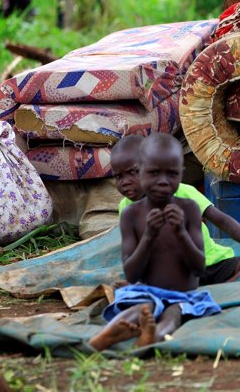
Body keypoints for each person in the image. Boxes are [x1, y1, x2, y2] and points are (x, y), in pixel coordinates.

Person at [89, 133, 220, 351]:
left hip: (183, 295)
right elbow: (132, 273)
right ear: (140, 171)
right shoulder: (131, 214)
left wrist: (181, 234)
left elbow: (199, 267)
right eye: (153, 173)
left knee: (172, 317)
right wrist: (148, 236)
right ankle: (107, 335)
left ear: (181, 174)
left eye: (172, 174)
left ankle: (151, 337)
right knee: (141, 306)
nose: (162, 181)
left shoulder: (189, 209)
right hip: (148, 291)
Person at [110, 135, 240, 284]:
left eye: (133, 173)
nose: (125, 182)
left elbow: (222, 220)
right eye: (118, 177)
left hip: (212, 262)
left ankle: (228, 284)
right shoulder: (126, 208)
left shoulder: (183, 192)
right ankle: (226, 287)